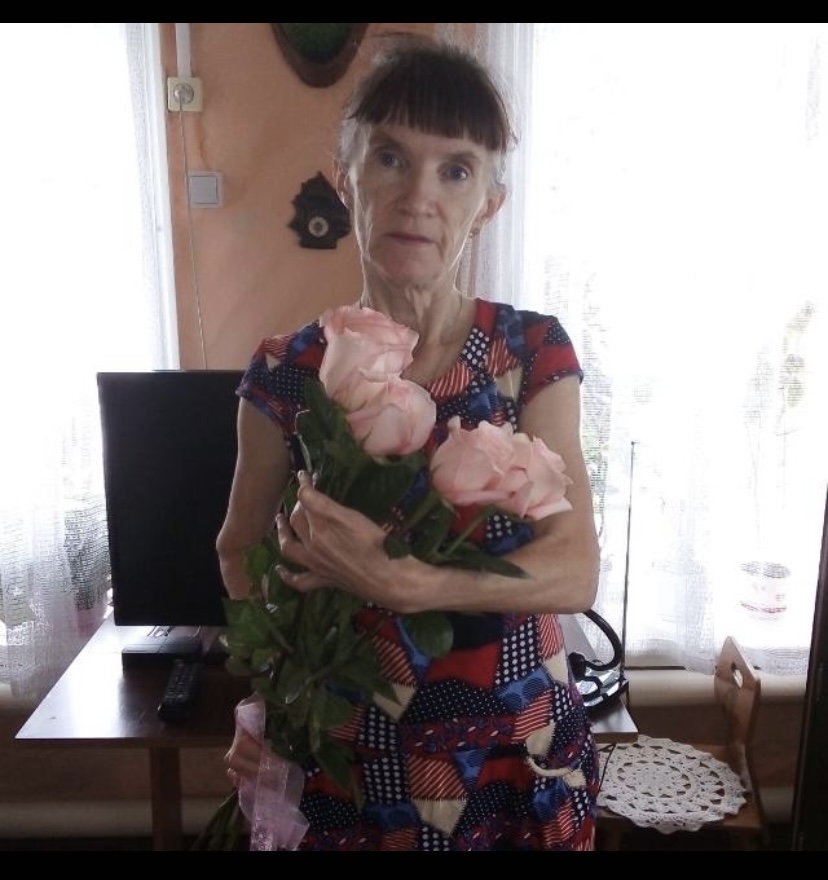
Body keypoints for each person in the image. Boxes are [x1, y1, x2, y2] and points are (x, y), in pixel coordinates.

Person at [216, 36, 601, 851]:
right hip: (350, 770)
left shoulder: (532, 353)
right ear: (346, 176)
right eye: (390, 158)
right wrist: (266, 698)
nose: (418, 196)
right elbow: (241, 550)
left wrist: (412, 584)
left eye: (456, 170)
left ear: (489, 201)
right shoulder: (286, 373)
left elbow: (574, 569)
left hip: (514, 758)